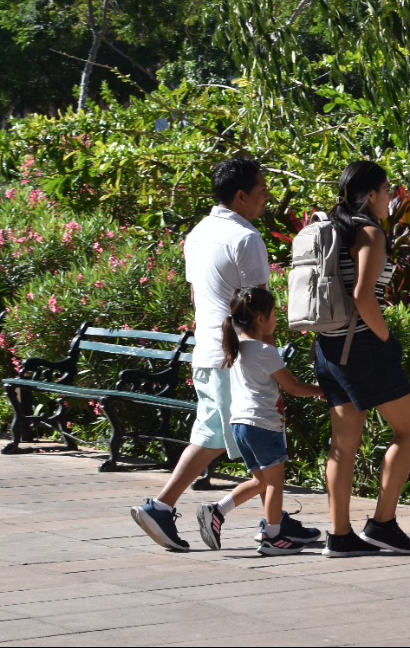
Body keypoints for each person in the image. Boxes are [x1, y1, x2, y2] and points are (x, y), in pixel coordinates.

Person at [130, 156, 319, 552]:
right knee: (259, 440)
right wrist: (271, 365)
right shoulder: (246, 238)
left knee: (213, 434)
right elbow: (257, 311)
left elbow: (201, 295)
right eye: (262, 192)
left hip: (209, 351)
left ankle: (270, 518)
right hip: (237, 357)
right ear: (240, 195)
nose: (266, 199)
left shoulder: (198, 233)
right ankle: (168, 507)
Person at [315, 160, 410, 558]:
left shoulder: (333, 228)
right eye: (387, 189)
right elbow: (364, 296)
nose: (392, 196)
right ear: (369, 195)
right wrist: (385, 339)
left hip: (327, 347)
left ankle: (340, 535)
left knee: (343, 444)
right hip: (361, 346)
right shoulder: (369, 232)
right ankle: (382, 523)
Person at [196, 286, 324, 555]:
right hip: (263, 425)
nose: (277, 319)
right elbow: (292, 386)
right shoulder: (265, 351)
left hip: (240, 425)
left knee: (261, 482)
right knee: (275, 482)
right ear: (261, 319)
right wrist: (322, 390)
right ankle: (273, 538)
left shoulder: (237, 348)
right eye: (275, 313)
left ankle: (216, 511)